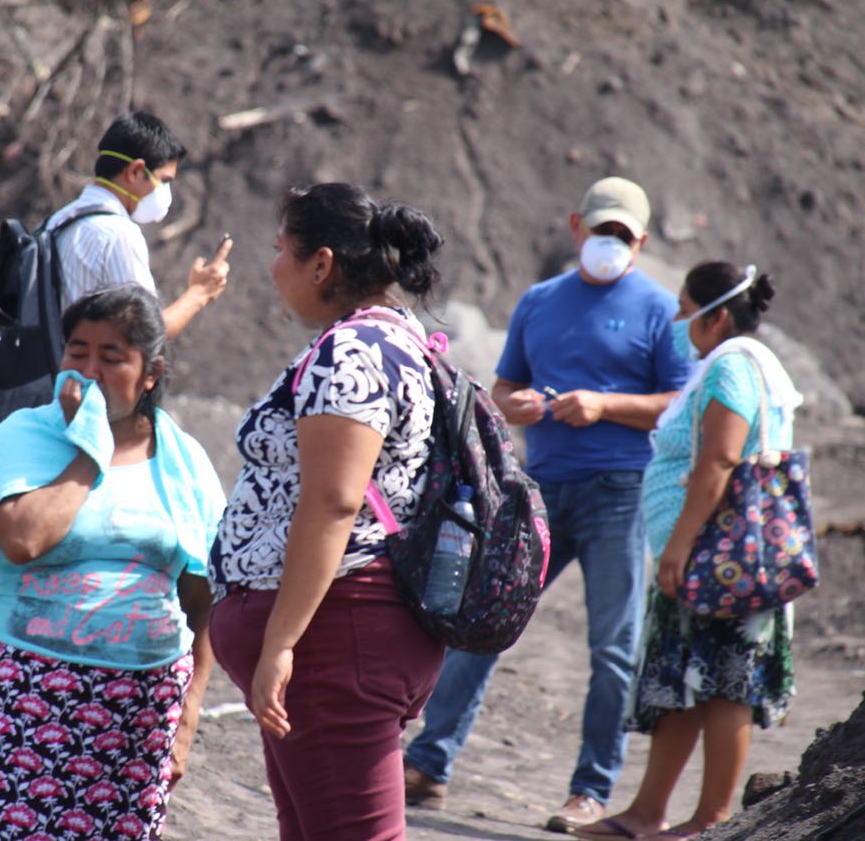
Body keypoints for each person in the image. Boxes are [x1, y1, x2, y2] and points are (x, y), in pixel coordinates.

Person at [403, 176, 692, 833]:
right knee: (482, 620)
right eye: (600, 230)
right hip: (539, 490)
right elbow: (503, 387)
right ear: (575, 227)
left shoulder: (657, 309)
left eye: (622, 235)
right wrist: (517, 404)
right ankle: (428, 764)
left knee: (613, 648)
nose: (609, 243)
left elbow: (680, 402)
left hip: (620, 493)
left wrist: (606, 406)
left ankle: (590, 790)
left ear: (641, 241)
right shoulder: (540, 301)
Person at [0, 284, 224, 839]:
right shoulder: (27, 433)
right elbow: (23, 539)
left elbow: (206, 600)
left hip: (140, 707)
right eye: (77, 351)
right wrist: (90, 448)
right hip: (20, 690)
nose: (87, 370)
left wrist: (186, 719)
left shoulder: (184, 461)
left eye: (111, 357)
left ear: (151, 373)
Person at [209, 183, 447, 840]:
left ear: (322, 264)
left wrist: (280, 642)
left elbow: (334, 499)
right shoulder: (392, 338)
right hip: (339, 634)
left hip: (336, 637)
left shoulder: (352, 353)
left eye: (281, 248)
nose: (272, 264)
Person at [575, 262, 800, 841]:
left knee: (727, 685)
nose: (677, 321)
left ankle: (710, 821)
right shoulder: (741, 364)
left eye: (683, 309)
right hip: (710, 554)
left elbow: (720, 460)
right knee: (681, 682)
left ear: (716, 315)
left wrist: (678, 546)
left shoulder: (730, 366)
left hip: (718, 557)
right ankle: (648, 813)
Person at [46, 110, 231, 338]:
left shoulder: (58, 220)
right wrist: (199, 293)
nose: (165, 193)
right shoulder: (117, 235)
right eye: (164, 181)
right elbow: (146, 335)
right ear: (135, 172)